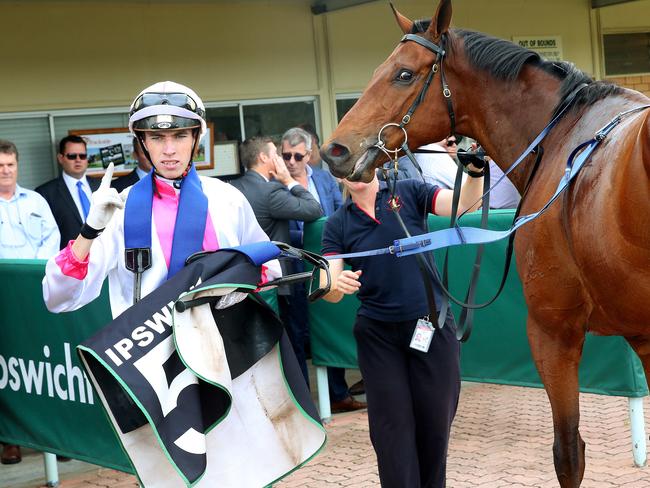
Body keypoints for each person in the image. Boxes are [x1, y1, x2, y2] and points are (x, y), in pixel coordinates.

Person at [42, 80, 279, 319]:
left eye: (180, 135)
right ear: (143, 142)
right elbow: (58, 298)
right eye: (156, 137)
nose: (169, 149)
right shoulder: (120, 206)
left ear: (196, 138)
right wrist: (90, 230)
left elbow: (270, 267)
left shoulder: (227, 198)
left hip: (226, 345)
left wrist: (239, 283)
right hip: (148, 352)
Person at [320, 157, 486, 487]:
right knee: (391, 430)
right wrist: (333, 286)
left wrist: (475, 172)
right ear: (339, 178)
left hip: (430, 325)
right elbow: (330, 284)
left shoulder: (409, 193)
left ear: (376, 164)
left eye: (360, 163)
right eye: (346, 168)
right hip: (378, 335)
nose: (356, 173)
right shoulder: (337, 223)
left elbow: (464, 203)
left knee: (435, 424)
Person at [281, 127, 365, 413]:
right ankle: (308, 404)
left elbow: (340, 211)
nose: (291, 161)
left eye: (297, 155)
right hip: (297, 266)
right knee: (301, 331)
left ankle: (338, 394)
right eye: (285, 155)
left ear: (309, 154)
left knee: (332, 326)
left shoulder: (325, 178)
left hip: (330, 262)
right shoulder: (276, 184)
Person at [0, 139, 60, 465]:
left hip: (37, 294)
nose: (6, 171)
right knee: (8, 367)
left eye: (10, 164)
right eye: (0, 166)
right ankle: (12, 440)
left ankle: (54, 437)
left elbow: (51, 238)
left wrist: (32, 275)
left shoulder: (36, 200)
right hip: (3, 298)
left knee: (43, 367)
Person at [230, 135, 322, 287]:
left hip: (242, 275)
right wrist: (289, 181)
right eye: (276, 154)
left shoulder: (232, 187)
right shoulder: (270, 191)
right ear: (264, 157)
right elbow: (314, 209)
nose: (280, 158)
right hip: (274, 279)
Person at [36, 135, 101, 249]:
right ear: (61, 158)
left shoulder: (101, 186)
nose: (78, 160)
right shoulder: (45, 193)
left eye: (82, 156)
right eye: (72, 156)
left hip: (104, 256)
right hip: (68, 259)